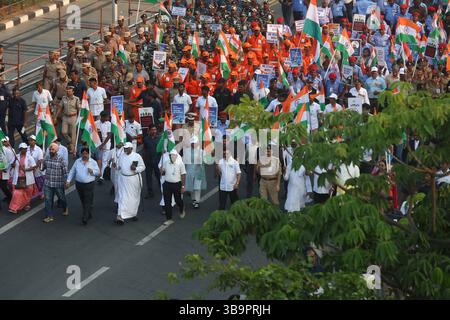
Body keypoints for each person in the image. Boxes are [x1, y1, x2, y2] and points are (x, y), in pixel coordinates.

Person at [66, 147, 100, 225]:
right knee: (83, 199)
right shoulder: (77, 161)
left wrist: (92, 171)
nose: (84, 155)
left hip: (89, 184)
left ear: (89, 154)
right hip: (79, 184)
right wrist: (68, 181)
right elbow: (72, 171)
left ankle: (85, 216)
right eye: (83, 154)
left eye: (86, 154)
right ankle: (88, 212)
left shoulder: (93, 162)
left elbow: (98, 172)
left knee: (87, 200)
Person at [116, 142, 146, 225]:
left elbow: (143, 167)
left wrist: (136, 169)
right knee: (122, 197)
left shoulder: (137, 156)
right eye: (124, 148)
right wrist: (115, 166)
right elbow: (119, 167)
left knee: (134, 198)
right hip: (123, 179)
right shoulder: (121, 156)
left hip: (134, 179)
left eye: (127, 148)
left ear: (131, 148)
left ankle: (133, 214)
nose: (125, 149)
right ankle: (120, 216)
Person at [42, 143, 68, 223]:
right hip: (48, 183)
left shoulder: (61, 159)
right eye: (50, 149)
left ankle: (65, 207)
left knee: (62, 198)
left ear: (56, 150)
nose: (50, 151)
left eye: (52, 149)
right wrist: (41, 164)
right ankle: (49, 216)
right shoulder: (47, 158)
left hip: (58, 183)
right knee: (48, 200)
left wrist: (66, 181)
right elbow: (43, 168)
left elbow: (65, 172)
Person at [160, 149, 186, 226]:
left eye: (174, 156)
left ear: (177, 156)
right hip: (167, 184)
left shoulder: (180, 164)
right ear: (169, 156)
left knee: (178, 200)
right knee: (167, 202)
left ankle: (181, 209)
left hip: (176, 184)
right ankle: (169, 219)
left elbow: (183, 175)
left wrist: (183, 186)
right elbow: (163, 173)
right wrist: (161, 171)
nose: (173, 157)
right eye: (171, 156)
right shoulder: (166, 162)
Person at [9, 143, 36, 214]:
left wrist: (25, 169)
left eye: (25, 149)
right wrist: (14, 162)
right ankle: (14, 208)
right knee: (16, 193)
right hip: (18, 178)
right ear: (20, 149)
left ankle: (27, 204)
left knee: (28, 193)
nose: (24, 150)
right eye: (22, 149)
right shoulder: (16, 157)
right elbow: (12, 165)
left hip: (27, 179)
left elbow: (34, 166)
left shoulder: (29, 157)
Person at [184, 135, 206, 209]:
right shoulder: (187, 150)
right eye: (192, 143)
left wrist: (201, 159)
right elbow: (184, 161)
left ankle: (197, 201)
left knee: (197, 186)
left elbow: (205, 160)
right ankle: (193, 199)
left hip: (198, 170)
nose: (193, 144)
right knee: (191, 186)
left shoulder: (201, 151)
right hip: (189, 170)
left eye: (195, 143)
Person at [60, 86, 80, 155]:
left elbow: (79, 109)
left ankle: (72, 148)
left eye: (69, 91)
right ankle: (70, 141)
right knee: (64, 132)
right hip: (65, 117)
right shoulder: (63, 98)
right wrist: (55, 116)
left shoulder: (76, 99)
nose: (68, 92)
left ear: (73, 92)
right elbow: (60, 107)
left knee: (73, 133)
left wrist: (80, 117)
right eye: (67, 91)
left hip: (73, 117)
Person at [142, 125, 161, 198]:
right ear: (149, 130)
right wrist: (143, 160)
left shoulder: (159, 138)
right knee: (148, 177)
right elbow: (144, 149)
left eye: (155, 129)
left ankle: (162, 189)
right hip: (148, 161)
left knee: (159, 176)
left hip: (157, 161)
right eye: (152, 130)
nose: (154, 131)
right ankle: (150, 192)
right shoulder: (146, 139)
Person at [95, 111, 112, 183]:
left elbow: (109, 135)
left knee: (104, 160)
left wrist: (103, 144)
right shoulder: (96, 123)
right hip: (98, 143)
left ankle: (102, 176)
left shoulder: (109, 124)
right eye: (106, 117)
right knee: (100, 159)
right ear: (102, 117)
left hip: (106, 144)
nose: (107, 118)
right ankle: (105, 171)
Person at [27, 135, 45, 199]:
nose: (30, 142)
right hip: (29, 169)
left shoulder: (38, 150)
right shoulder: (27, 148)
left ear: (35, 141)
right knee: (32, 182)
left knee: (39, 182)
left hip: (37, 169)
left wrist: (34, 168)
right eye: (29, 140)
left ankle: (41, 192)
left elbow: (40, 160)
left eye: (32, 140)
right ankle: (35, 193)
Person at [0, 137, 14, 203]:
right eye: (3, 141)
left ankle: (11, 197)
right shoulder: (2, 150)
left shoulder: (11, 150)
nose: (4, 142)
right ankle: (8, 196)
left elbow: (11, 162)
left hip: (7, 171)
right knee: (3, 186)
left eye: (5, 141)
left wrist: (5, 168)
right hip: (1, 171)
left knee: (4, 186)